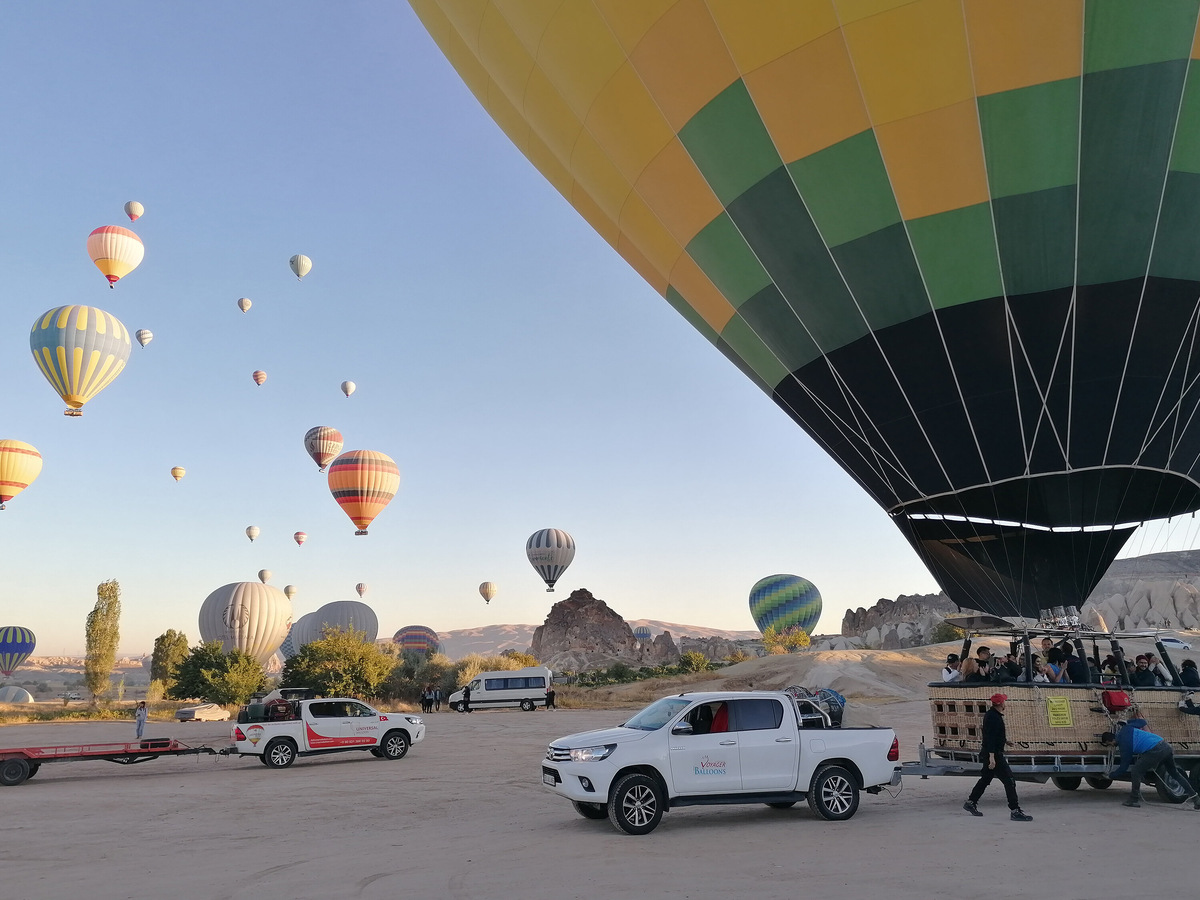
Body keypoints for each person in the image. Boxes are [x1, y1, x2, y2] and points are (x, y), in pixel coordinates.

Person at [963, 694, 1033, 821]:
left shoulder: (992, 715)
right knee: (1010, 781)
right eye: (1004, 701)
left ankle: (970, 802)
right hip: (994, 755)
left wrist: (1005, 741)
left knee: (985, 779)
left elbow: (994, 735)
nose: (1005, 703)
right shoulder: (993, 717)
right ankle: (1015, 810)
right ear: (1000, 703)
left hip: (990, 753)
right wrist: (992, 758)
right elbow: (990, 738)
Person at [1102, 720, 1198, 808]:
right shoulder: (1126, 728)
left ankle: (1133, 799)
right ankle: (1196, 799)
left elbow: (1123, 767)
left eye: (1109, 744)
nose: (1112, 746)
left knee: (1136, 771)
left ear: (1109, 741)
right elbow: (1142, 722)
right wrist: (1127, 721)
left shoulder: (1124, 746)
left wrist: (1110, 776)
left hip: (1155, 750)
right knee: (1175, 774)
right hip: (1165, 745)